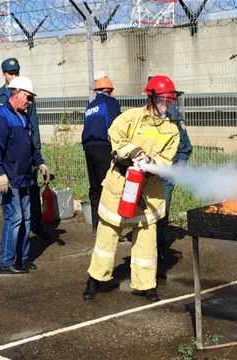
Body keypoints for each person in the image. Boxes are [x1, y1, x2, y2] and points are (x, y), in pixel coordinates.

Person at [82, 75, 181, 302]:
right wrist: (134, 152)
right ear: (151, 97)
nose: (167, 104)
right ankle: (95, 280)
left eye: (170, 100)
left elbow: (166, 159)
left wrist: (151, 164)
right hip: (120, 184)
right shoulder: (131, 117)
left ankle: (147, 285)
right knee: (107, 237)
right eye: (163, 99)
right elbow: (115, 136)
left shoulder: (172, 130)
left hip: (148, 189)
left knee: (146, 241)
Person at [0, 58, 51, 241]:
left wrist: (37, 154)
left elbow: (31, 123)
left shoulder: (26, 95)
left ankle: (35, 227)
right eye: (11, 73)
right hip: (7, 151)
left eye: (16, 72)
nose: (14, 76)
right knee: (11, 200)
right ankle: (10, 236)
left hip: (26, 151)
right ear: (3, 74)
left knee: (31, 191)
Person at [0, 76, 51, 274]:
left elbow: (31, 146)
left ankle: (22, 258)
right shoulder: (1, 116)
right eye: (28, 97)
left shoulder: (23, 118)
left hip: (24, 176)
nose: (30, 102)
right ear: (16, 93)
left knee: (25, 218)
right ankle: (5, 261)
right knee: (14, 218)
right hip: (10, 177)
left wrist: (40, 163)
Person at [82, 76, 121, 235]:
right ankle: (108, 228)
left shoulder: (90, 106)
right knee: (108, 186)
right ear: (110, 91)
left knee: (95, 188)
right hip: (105, 146)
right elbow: (115, 124)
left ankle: (96, 227)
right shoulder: (110, 103)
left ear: (96, 91)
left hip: (88, 148)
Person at [156, 102, 193, 261]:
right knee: (147, 213)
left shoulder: (172, 112)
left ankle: (159, 250)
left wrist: (181, 163)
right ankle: (148, 250)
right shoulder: (139, 113)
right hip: (146, 173)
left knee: (161, 211)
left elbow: (185, 145)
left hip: (167, 173)